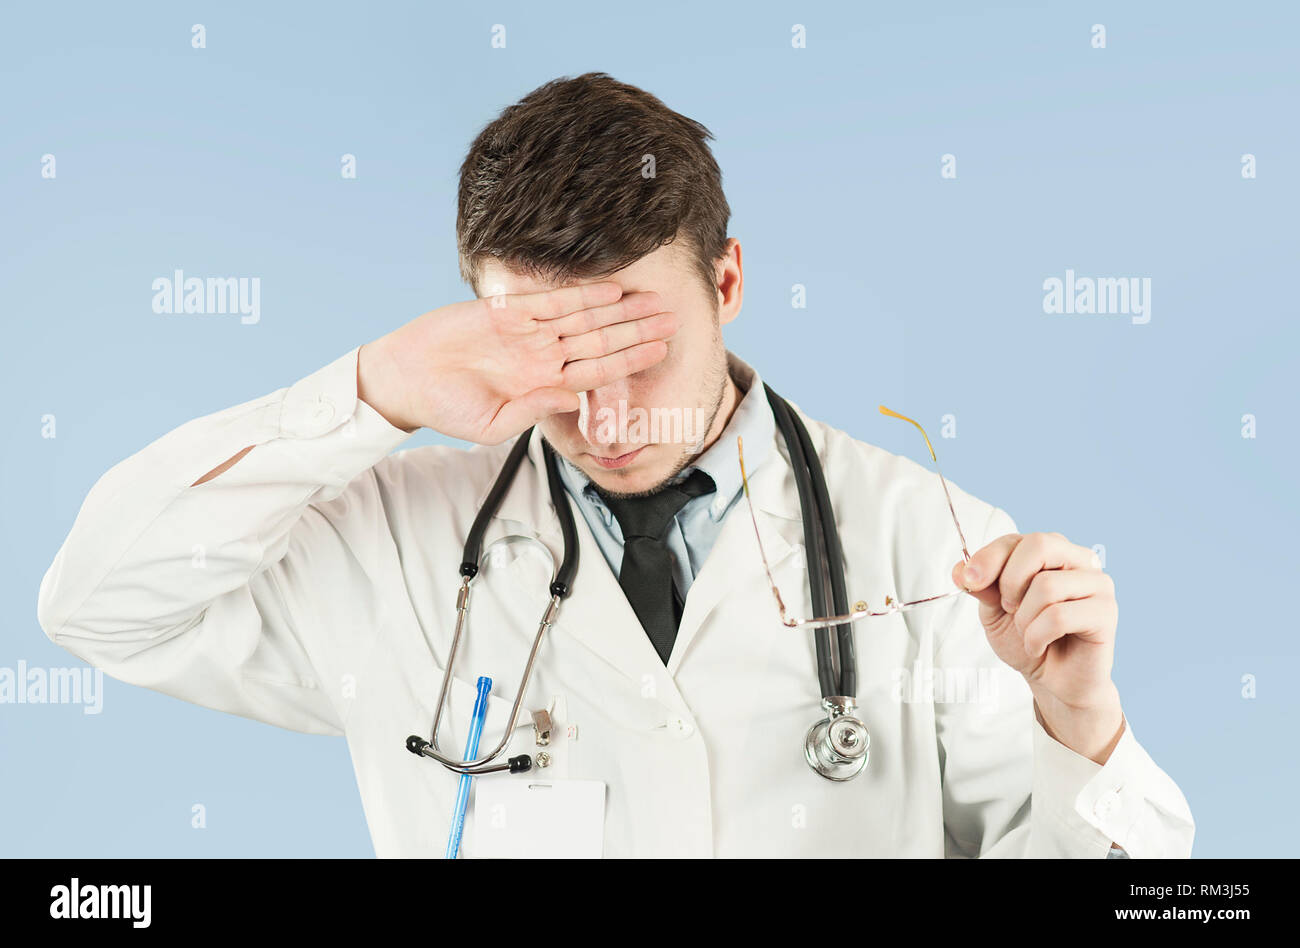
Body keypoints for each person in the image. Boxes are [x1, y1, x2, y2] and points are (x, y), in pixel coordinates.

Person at [37, 72, 1194, 858]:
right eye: (541, 346)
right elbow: (100, 603)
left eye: (634, 343)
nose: (602, 408)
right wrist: (368, 393)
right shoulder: (392, 548)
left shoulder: (928, 545)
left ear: (727, 283)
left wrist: (1079, 727)